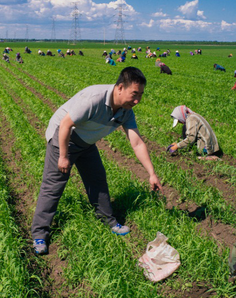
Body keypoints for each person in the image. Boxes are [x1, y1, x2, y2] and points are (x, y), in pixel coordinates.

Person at [31, 67, 163, 255]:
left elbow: (137, 143)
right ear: (119, 88)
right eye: (134, 94)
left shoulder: (126, 111)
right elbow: (65, 124)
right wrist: (63, 156)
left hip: (86, 142)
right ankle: (39, 235)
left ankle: (108, 220)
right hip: (64, 137)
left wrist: (151, 173)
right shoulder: (94, 98)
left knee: (97, 180)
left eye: (141, 95)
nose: (137, 101)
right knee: (54, 185)